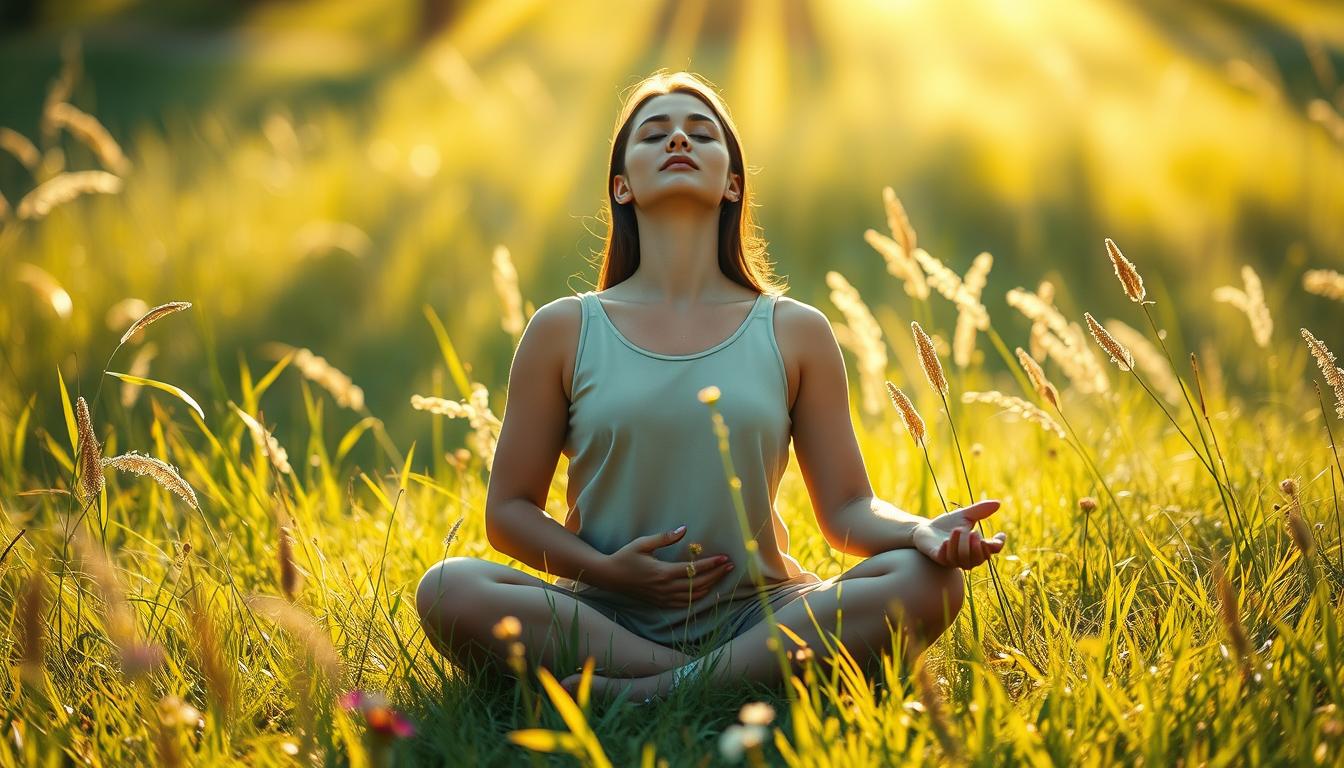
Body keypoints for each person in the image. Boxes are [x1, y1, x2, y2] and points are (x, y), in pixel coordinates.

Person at [414, 70, 1007, 704]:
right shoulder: (563, 329)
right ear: (622, 187)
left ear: (732, 184)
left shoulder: (795, 331)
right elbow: (508, 512)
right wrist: (609, 571)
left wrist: (921, 532)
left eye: (701, 133)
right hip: (603, 613)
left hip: (761, 612)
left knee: (931, 582)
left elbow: (848, 512)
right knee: (447, 588)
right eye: (654, 134)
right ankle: (736, 677)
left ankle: (657, 690)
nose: (677, 140)